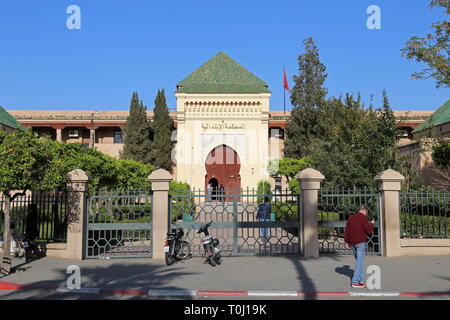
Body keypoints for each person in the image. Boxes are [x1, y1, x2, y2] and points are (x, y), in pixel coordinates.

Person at [344, 204, 375, 288]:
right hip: (360, 242)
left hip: (353, 243)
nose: (366, 214)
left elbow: (347, 230)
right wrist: (371, 224)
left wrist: (347, 242)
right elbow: (368, 231)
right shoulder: (363, 218)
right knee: (359, 262)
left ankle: (361, 279)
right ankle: (355, 282)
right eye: (366, 212)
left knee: (359, 261)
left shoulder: (351, 218)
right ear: (365, 211)